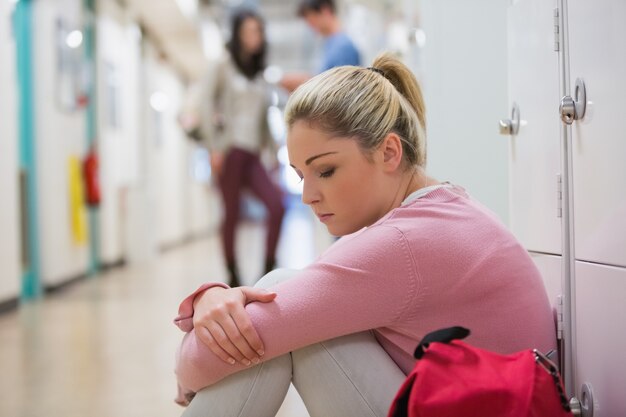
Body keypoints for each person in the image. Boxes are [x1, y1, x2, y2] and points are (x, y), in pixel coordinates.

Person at [174, 53, 557, 416]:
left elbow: (202, 358)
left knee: (286, 312)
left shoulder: (405, 243)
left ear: (389, 152)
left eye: (325, 171)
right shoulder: (440, 211)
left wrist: (184, 369)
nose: (308, 195)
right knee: (288, 305)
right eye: (300, 175)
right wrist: (214, 297)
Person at [200, 9, 285, 287]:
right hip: (229, 151)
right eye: (248, 31)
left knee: (276, 205)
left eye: (258, 31)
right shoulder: (222, 66)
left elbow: (264, 121)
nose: (254, 37)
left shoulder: (261, 75)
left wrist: (274, 154)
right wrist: (213, 147)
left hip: (252, 153)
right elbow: (205, 106)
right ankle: (232, 274)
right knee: (232, 212)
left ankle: (268, 269)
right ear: (237, 35)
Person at [280, 0, 361, 93]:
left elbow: (340, 90)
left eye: (311, 19)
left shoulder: (343, 47)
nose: (310, 25)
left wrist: (304, 83)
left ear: (325, 10)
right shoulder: (329, 44)